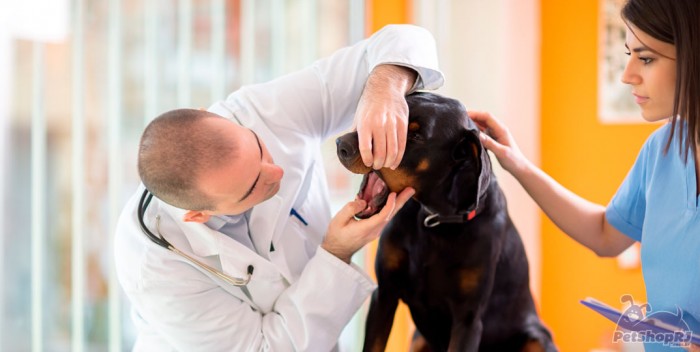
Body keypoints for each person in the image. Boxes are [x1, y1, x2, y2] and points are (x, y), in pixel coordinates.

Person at [114, 24, 444, 351]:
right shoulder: (155, 266)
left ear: (209, 115)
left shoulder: (262, 110)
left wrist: (385, 89)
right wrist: (336, 252)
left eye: (258, 148)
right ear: (197, 215)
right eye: (253, 186)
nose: (276, 172)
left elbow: (404, 40)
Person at [469, 0, 699, 350]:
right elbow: (605, 234)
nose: (628, 74)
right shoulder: (662, 149)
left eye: (647, 58)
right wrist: (517, 163)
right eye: (628, 54)